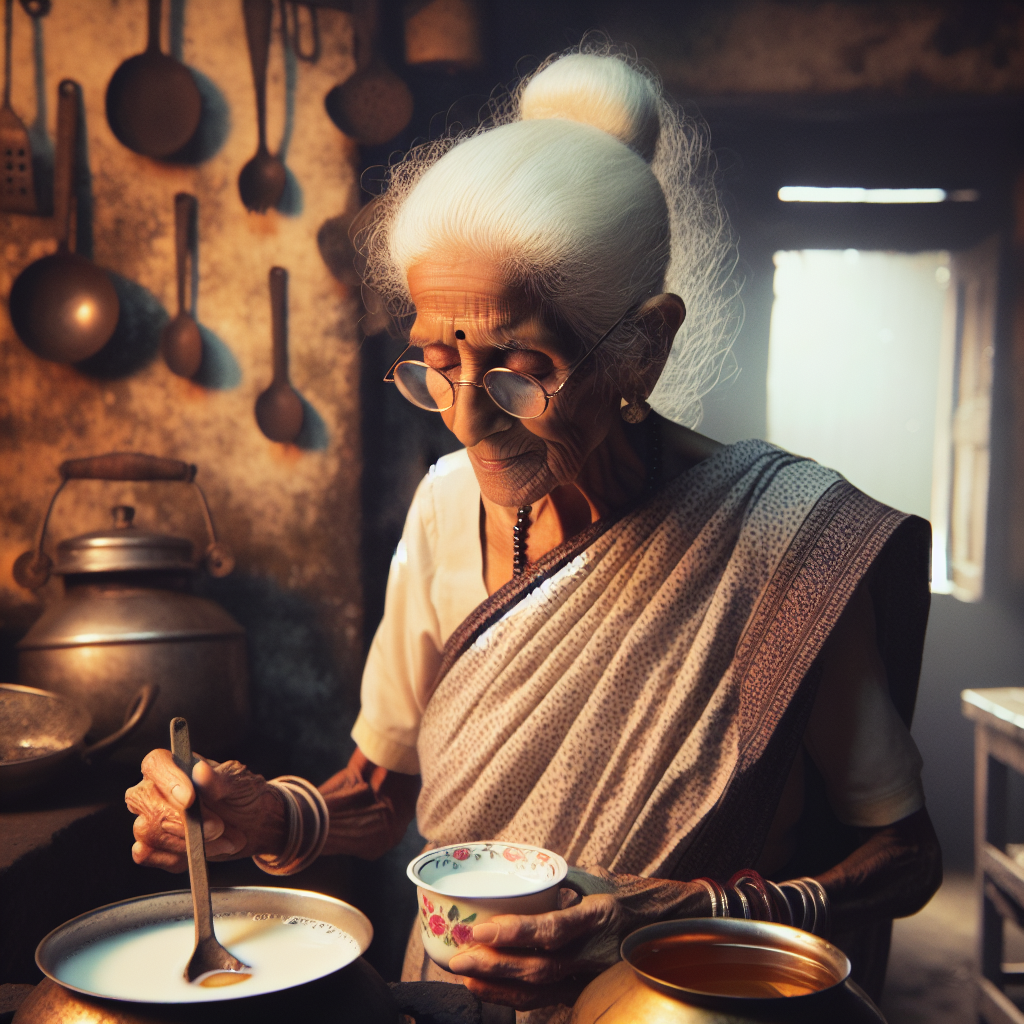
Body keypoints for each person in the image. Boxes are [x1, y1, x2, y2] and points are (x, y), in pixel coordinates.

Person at [126, 44, 942, 1022]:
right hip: (450, 999)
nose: (466, 418)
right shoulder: (442, 507)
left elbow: (903, 856)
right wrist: (267, 815)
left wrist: (688, 909)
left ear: (645, 343)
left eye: (520, 365)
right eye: (433, 360)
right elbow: (383, 796)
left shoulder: (781, 538)